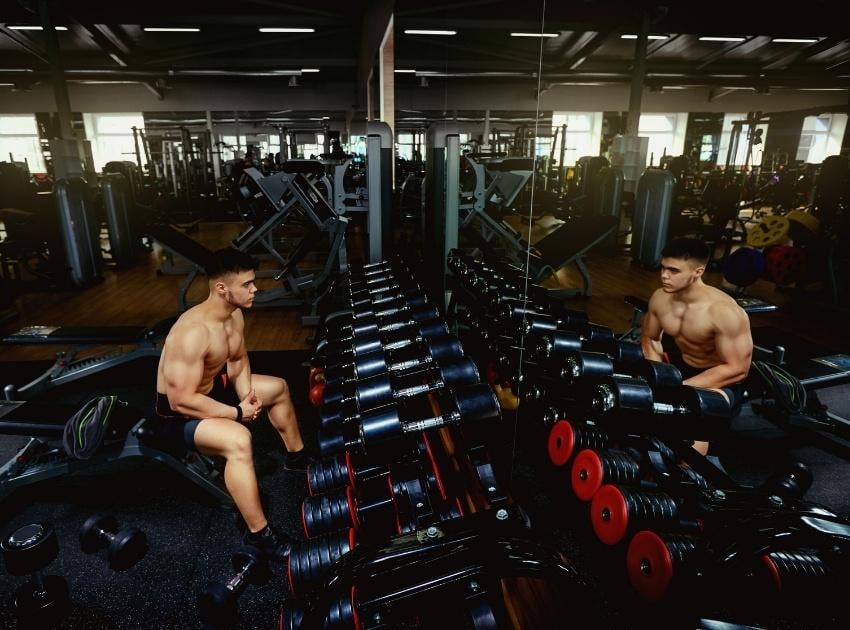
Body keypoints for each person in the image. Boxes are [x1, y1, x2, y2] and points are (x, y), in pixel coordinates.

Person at [154, 247, 311, 562]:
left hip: (211, 391)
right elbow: (181, 400)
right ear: (221, 288)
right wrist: (237, 413)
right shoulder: (192, 332)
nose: (255, 289)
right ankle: (260, 536)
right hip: (174, 416)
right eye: (248, 284)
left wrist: (247, 396)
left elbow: (238, 362)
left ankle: (299, 459)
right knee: (239, 441)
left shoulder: (233, 315)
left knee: (277, 388)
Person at [640, 238, 753, 455]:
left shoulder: (723, 311)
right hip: (680, 367)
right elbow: (650, 338)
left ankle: (686, 475)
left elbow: (737, 368)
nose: (664, 275)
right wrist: (659, 377)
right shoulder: (660, 298)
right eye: (663, 268)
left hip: (720, 379)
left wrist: (680, 388)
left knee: (690, 415)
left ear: (698, 271)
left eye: (674, 271)